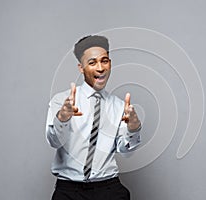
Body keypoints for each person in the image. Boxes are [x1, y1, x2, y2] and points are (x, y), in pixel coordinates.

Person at [45, 35, 142, 200]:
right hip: (69, 191)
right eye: (92, 62)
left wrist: (133, 129)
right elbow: (54, 142)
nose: (100, 68)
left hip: (109, 189)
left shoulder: (119, 106)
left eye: (105, 61)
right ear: (81, 68)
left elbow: (125, 151)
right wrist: (62, 118)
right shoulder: (61, 101)